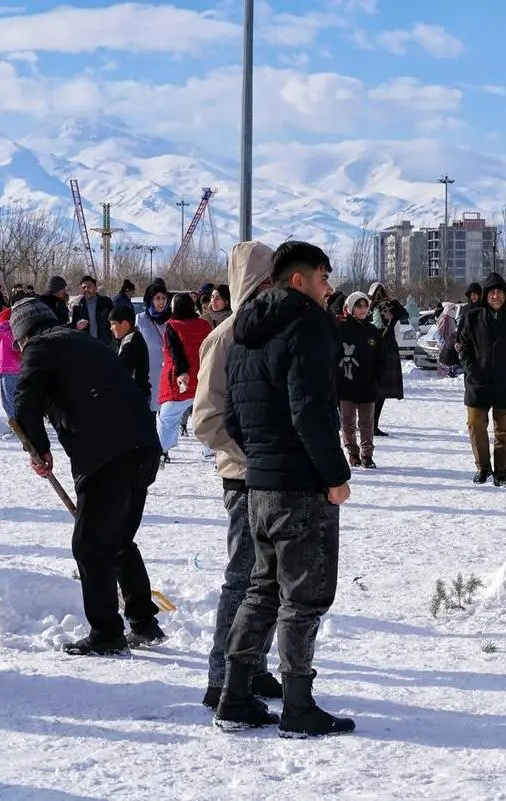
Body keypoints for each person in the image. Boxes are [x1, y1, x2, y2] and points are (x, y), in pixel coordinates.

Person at [216, 241, 354, 737]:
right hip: (299, 485)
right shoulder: (308, 324)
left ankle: (234, 697)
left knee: (262, 589)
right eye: (322, 278)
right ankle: (298, 706)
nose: (329, 288)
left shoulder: (244, 330)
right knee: (304, 597)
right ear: (298, 281)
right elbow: (310, 410)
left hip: (258, 483)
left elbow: (231, 415)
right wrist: (334, 476)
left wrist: (263, 459)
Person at [11, 298, 165, 656]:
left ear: (23, 336)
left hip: (105, 454)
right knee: (118, 538)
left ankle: (107, 633)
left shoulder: (39, 348)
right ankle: (143, 620)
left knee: (90, 545)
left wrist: (38, 450)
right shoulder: (88, 342)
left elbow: (25, 403)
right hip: (143, 446)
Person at [192, 241, 282, 711]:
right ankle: (220, 675)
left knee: (270, 582)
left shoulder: (272, 331)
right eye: (268, 282)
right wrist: (251, 454)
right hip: (243, 478)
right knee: (243, 579)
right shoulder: (225, 337)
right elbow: (205, 418)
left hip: (272, 477)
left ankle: (254, 665)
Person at [458, 272, 506, 488]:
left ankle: (501, 472)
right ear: (486, 295)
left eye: (500, 292)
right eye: (492, 292)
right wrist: (471, 370)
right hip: (477, 382)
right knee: (475, 426)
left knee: (504, 431)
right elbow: (463, 345)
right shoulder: (474, 316)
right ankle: (482, 468)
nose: (496, 296)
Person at [156, 294, 212, 462]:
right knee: (206, 415)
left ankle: (162, 450)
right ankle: (209, 449)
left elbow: (176, 352)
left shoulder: (173, 326)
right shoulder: (204, 325)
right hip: (203, 379)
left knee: (168, 418)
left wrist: (181, 373)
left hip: (179, 381)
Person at [337, 292, 383, 469]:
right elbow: (335, 356)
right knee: (347, 421)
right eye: (358, 306)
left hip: (367, 385)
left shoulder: (373, 331)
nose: (362, 310)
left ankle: (367, 455)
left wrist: (376, 376)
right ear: (350, 308)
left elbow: (381, 358)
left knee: (367, 422)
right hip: (347, 384)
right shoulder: (342, 330)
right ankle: (353, 453)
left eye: (365, 306)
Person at [368, 283, 408, 437]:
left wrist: (394, 305)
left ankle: (373, 424)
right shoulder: (375, 308)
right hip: (380, 349)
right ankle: (370, 424)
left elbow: (404, 315)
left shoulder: (387, 307)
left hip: (385, 349)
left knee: (380, 391)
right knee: (377, 391)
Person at [136, 283, 171, 414]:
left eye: (164, 298)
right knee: (149, 414)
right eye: (157, 298)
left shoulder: (172, 319)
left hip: (168, 374)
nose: (161, 301)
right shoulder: (140, 319)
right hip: (149, 374)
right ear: (151, 300)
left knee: (167, 416)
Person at [109, 305, 151, 402]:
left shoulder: (132, 343)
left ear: (124, 324)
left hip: (136, 398)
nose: (111, 328)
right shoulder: (126, 339)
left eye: (113, 324)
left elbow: (121, 370)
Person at [0, 307, 21, 422]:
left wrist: (6, 320)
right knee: (16, 397)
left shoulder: (7, 332)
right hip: (18, 367)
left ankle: (15, 423)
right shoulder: (20, 331)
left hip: (9, 369)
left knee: (8, 399)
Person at [70, 275, 115, 344]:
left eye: (89, 287)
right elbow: (73, 327)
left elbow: (114, 321)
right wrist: (77, 326)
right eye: (84, 287)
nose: (86, 289)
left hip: (105, 345)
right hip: (87, 345)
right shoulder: (77, 306)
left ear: (95, 288)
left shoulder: (106, 302)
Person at [437, 301, 461, 378]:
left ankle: (449, 373)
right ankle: (442, 375)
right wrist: (442, 340)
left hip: (451, 342)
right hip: (445, 342)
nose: (454, 311)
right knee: (444, 359)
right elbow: (441, 330)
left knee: (449, 358)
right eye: (453, 309)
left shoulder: (451, 318)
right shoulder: (445, 318)